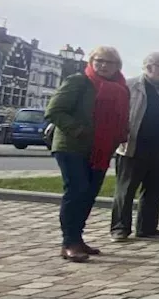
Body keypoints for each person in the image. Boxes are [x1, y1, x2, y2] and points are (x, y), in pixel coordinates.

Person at [46, 46, 129, 262]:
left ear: (117, 66)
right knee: (77, 191)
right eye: (98, 60)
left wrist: (121, 134)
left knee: (89, 193)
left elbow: (121, 116)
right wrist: (79, 130)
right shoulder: (79, 81)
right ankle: (69, 242)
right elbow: (54, 111)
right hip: (71, 146)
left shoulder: (120, 87)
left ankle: (78, 237)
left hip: (100, 150)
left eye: (109, 62)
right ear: (91, 62)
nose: (103, 65)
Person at [110, 52, 159, 241]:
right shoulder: (130, 86)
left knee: (155, 189)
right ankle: (120, 228)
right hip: (134, 146)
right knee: (126, 190)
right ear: (149, 67)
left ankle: (147, 227)